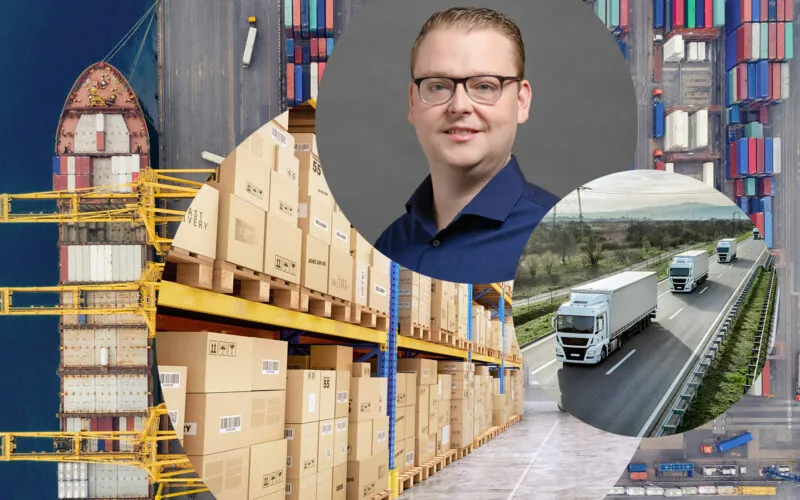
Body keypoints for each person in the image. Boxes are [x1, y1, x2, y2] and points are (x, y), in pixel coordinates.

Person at [374, 6, 560, 284]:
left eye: (484, 86)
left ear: (521, 102)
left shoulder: (558, 238)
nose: (459, 106)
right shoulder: (389, 244)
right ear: (413, 102)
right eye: (437, 86)